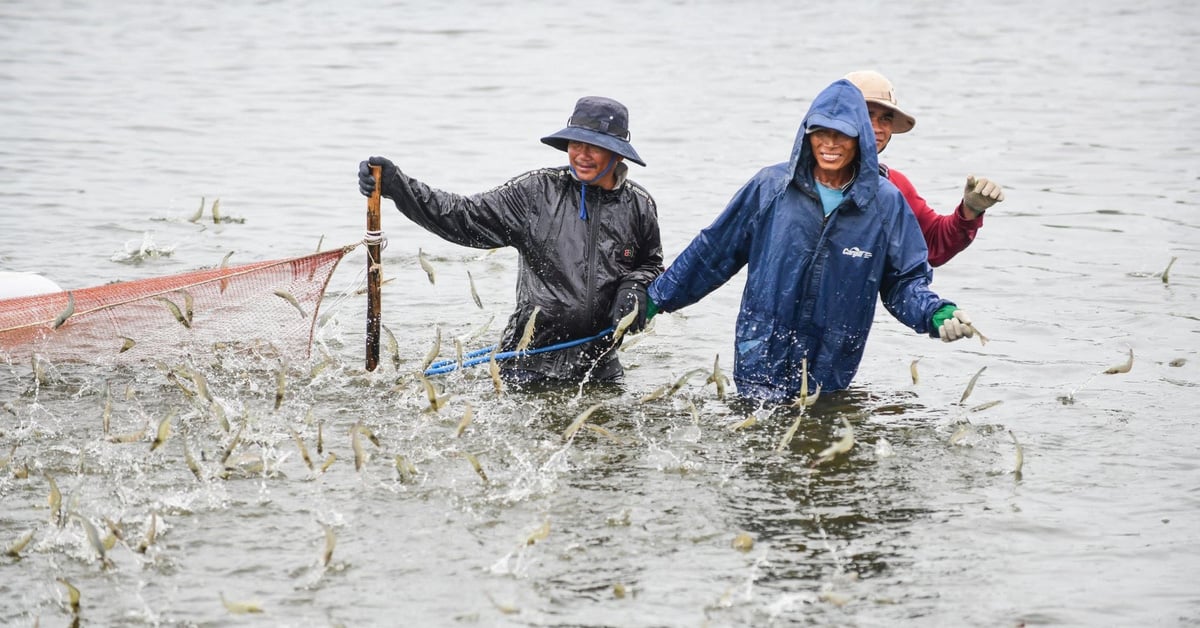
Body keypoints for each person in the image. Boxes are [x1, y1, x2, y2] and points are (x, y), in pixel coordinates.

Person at [646, 78, 975, 403]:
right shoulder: (770, 188)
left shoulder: (886, 203)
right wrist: (655, 299)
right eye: (821, 132)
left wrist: (935, 313)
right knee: (756, 440)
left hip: (831, 365)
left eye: (842, 134)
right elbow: (712, 253)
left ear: (859, 138)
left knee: (819, 443)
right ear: (807, 134)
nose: (830, 143)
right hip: (760, 356)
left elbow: (904, 283)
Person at [359, 96, 662, 386]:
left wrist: (635, 284)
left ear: (618, 153)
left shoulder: (640, 206)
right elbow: (462, 215)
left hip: (600, 366)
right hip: (527, 364)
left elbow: (651, 263)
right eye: (575, 143)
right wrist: (399, 187)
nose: (581, 155)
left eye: (594, 147)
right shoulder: (536, 193)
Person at [844, 70, 1005, 267]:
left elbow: (931, 243)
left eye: (886, 118)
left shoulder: (894, 184)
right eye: (868, 115)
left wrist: (970, 211)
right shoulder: (804, 180)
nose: (877, 127)